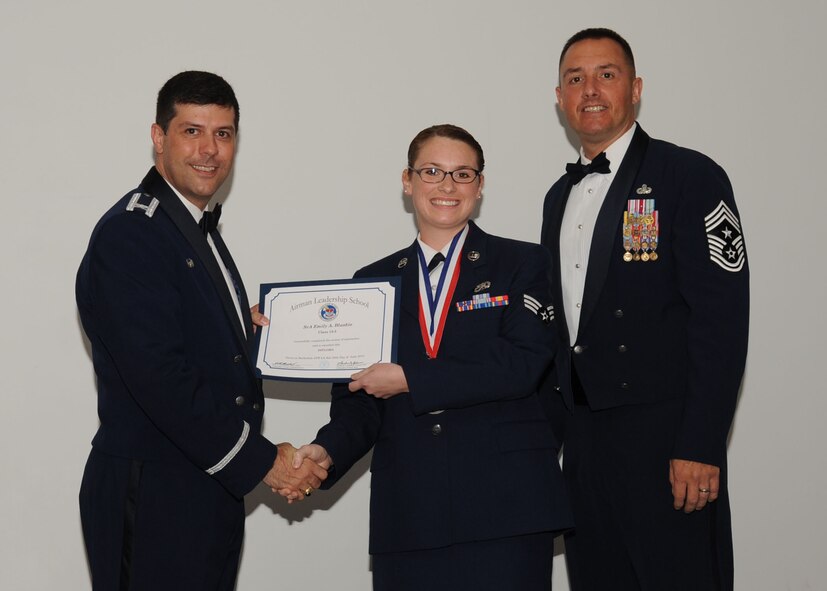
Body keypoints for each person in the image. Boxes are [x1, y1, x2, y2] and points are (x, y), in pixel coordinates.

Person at [290, 124, 573, 590]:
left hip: (506, 508)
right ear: (408, 181)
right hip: (410, 512)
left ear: (480, 187)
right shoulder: (371, 284)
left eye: (463, 174)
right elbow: (358, 400)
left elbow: (521, 365)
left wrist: (410, 380)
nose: (447, 185)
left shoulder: (523, 263)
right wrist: (325, 451)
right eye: (432, 171)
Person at [76, 70, 327, 591]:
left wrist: (257, 337)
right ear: (158, 137)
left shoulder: (189, 226)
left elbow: (197, 347)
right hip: (154, 494)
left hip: (201, 485)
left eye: (224, 133)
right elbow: (160, 377)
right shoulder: (132, 233)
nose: (209, 150)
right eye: (192, 131)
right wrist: (266, 463)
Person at [540, 28, 749, 590]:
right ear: (558, 97)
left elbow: (720, 321)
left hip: (667, 446)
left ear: (634, 89)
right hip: (586, 449)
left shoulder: (691, 176)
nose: (590, 90)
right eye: (575, 78)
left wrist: (701, 445)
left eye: (606, 75)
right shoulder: (558, 198)